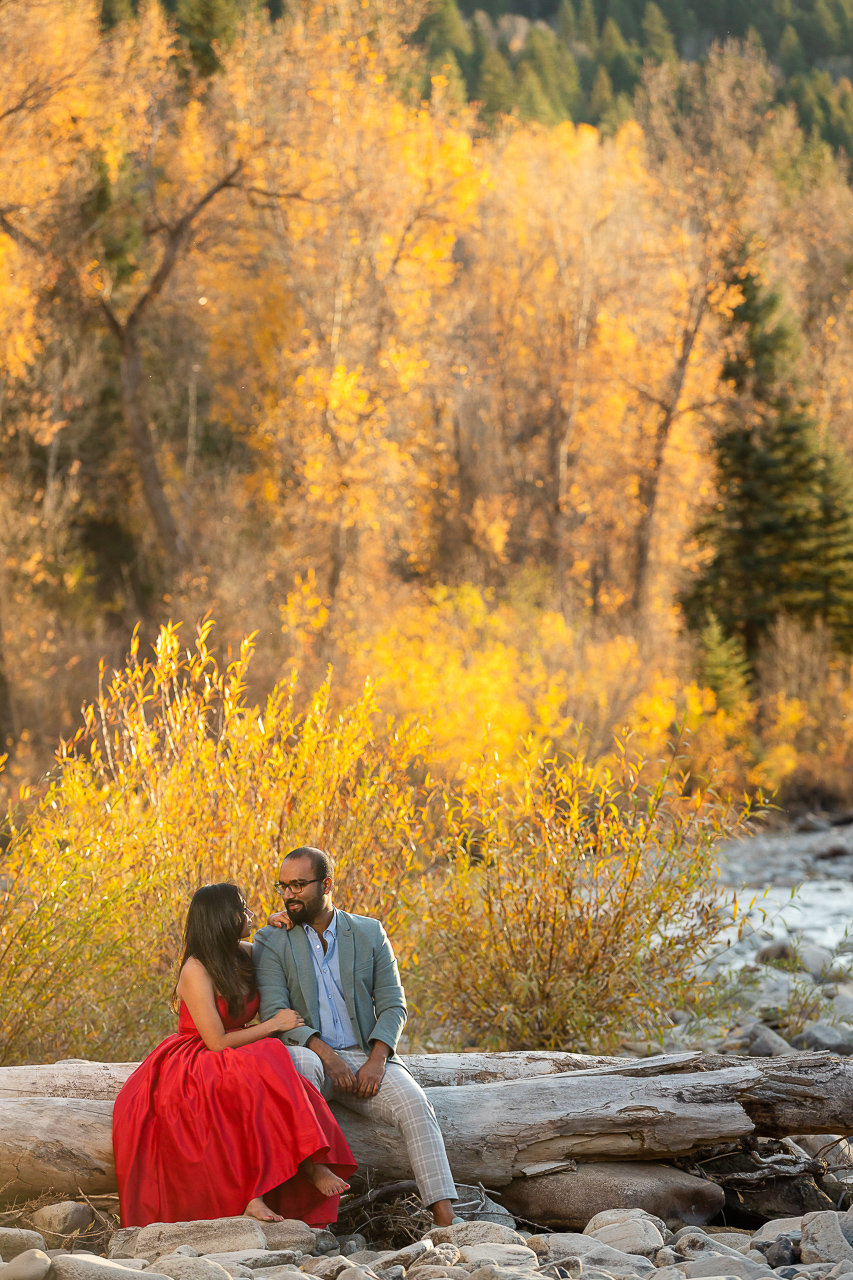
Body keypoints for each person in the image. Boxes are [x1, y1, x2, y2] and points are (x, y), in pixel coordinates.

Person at [113, 882, 356, 1228]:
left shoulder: (243, 953)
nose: (250, 914)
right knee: (265, 1056)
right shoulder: (195, 970)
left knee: (268, 1066)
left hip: (236, 1047)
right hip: (196, 1055)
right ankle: (270, 1184)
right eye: (243, 910)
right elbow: (215, 1041)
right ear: (221, 919)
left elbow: (285, 950)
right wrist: (274, 1023)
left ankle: (297, 1169)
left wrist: (282, 923)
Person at [253, 847, 460, 1227]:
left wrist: (378, 1060)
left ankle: (447, 1218)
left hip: (367, 1058)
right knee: (297, 1061)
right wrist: (326, 1054)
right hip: (313, 1058)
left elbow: (394, 1004)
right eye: (283, 886)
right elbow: (275, 1013)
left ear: (327, 884)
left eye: (298, 885)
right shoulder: (273, 940)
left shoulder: (368, 932)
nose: (288, 894)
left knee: (416, 1104)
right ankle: (314, 1187)